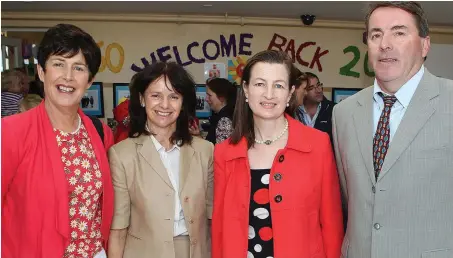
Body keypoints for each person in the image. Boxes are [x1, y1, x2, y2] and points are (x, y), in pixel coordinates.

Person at [332, 2, 453, 258]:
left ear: (424, 44)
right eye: (376, 34)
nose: (385, 43)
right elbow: (349, 197)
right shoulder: (343, 113)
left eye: (399, 32)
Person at [212, 50, 343, 258]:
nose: (269, 94)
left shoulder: (317, 144)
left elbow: (331, 223)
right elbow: (219, 227)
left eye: (278, 85)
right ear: (246, 89)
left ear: (290, 93)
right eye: (260, 84)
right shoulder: (224, 152)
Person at [1, 24, 114, 258]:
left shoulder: (101, 132)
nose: (68, 77)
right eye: (59, 64)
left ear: (90, 80)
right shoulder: (10, 132)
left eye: (79, 68)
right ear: (42, 72)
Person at [108, 61, 214, 258]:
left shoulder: (205, 151)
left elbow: (212, 219)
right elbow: (118, 229)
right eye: (155, 95)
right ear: (142, 99)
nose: (165, 105)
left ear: (183, 103)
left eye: (174, 96)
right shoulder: (122, 155)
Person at [299, 72, 335, 144]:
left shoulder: (334, 110)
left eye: (318, 85)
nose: (318, 90)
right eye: (311, 88)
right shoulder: (294, 111)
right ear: (303, 91)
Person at [205, 78, 237, 144]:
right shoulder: (222, 115)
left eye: (209, 95)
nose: (206, 99)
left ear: (221, 97)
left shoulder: (224, 120)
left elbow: (220, 151)